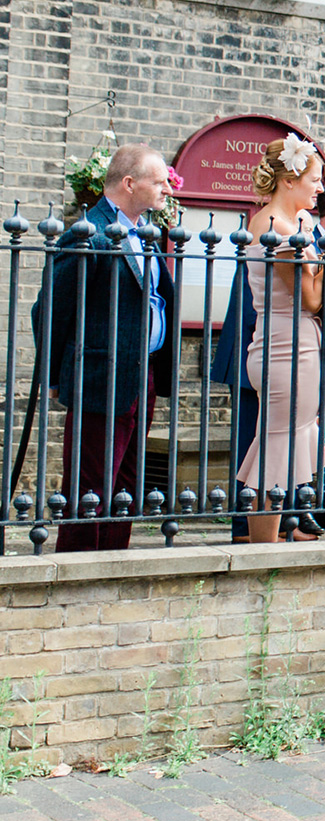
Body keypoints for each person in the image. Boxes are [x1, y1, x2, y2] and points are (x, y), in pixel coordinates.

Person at [39, 143, 178, 552]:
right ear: (130, 182)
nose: (167, 190)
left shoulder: (147, 235)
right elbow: (50, 308)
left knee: (128, 487)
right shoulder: (89, 232)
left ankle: (114, 566)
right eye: (159, 182)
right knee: (91, 486)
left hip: (142, 375)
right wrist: (52, 375)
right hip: (100, 377)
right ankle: (78, 571)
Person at [235, 135, 325, 543]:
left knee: (283, 440)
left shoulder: (294, 224)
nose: (320, 188)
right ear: (290, 179)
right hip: (286, 345)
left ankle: (270, 537)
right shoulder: (275, 227)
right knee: (277, 444)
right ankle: (263, 543)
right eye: (314, 179)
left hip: (293, 342)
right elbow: (310, 299)